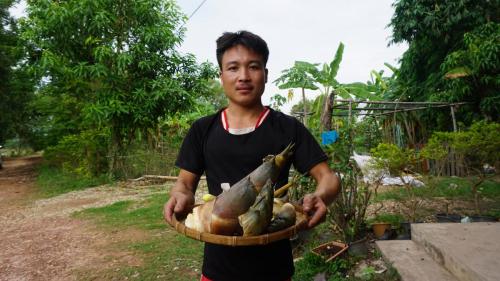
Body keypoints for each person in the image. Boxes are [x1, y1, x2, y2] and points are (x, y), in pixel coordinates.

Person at [164, 30, 340, 281]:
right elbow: (185, 183)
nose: (244, 77)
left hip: (274, 270)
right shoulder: (202, 130)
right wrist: (180, 195)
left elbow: (328, 178)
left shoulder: (288, 128)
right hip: (217, 271)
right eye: (233, 68)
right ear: (221, 75)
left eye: (253, 67)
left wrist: (321, 196)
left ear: (265, 74)